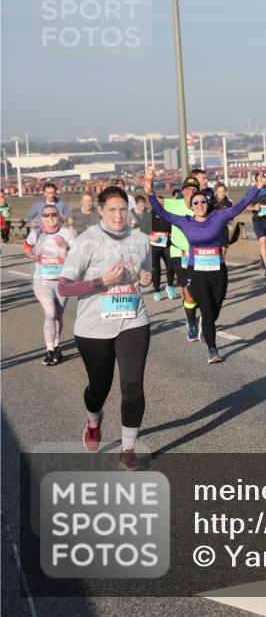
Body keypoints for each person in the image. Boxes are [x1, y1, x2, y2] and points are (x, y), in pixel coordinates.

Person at [57, 186, 153, 471]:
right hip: (94, 327)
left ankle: (127, 450)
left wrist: (147, 277)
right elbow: (64, 285)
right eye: (111, 209)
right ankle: (93, 420)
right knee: (100, 387)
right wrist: (100, 282)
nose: (118, 215)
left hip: (133, 320)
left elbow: (145, 270)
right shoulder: (87, 242)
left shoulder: (140, 239)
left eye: (123, 208)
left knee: (133, 384)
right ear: (100, 211)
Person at [145, 168, 265, 363]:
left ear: (207, 204)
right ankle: (212, 350)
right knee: (208, 312)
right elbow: (160, 211)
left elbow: (241, 205)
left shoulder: (218, 217)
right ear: (191, 206)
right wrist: (149, 189)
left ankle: (205, 322)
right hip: (197, 272)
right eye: (196, 202)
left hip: (218, 272)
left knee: (215, 309)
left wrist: (257, 189)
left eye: (202, 201)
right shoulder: (185, 222)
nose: (200, 204)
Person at [23, 206, 76, 365]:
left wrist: (64, 247)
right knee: (50, 313)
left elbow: (77, 255)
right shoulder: (36, 234)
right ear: (42, 217)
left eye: (53, 214)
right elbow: (26, 247)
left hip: (62, 281)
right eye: (46, 215)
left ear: (58, 216)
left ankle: (57, 347)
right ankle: (49, 350)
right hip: (42, 280)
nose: (50, 217)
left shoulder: (67, 233)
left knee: (59, 315)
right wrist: (31, 256)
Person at [163, 175, 199, 341]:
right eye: (188, 189)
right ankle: (192, 323)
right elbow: (156, 202)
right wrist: (148, 188)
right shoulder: (174, 205)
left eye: (194, 189)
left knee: (200, 291)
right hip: (179, 254)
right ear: (183, 191)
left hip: (199, 254)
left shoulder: (201, 205)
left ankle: (194, 309)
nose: (191, 192)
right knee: (188, 291)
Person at [148, 192, 176, 302]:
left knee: (171, 266)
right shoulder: (148, 215)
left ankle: (169, 286)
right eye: (157, 203)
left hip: (167, 244)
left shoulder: (168, 215)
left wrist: (171, 235)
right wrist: (150, 236)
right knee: (156, 269)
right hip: (154, 245)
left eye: (161, 203)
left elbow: (174, 228)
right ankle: (157, 291)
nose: (159, 205)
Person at [213, 182, 235, 256]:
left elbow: (232, 216)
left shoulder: (229, 203)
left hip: (224, 229)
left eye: (223, 192)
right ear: (216, 192)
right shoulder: (212, 202)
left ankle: (222, 265)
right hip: (213, 229)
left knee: (223, 249)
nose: (221, 194)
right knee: (215, 250)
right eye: (219, 192)